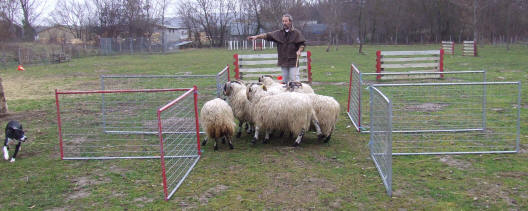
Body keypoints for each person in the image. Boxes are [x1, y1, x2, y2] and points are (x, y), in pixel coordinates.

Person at [248, 14, 306, 83]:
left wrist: (299, 50)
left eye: (286, 21)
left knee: (295, 80)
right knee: (284, 81)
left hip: (293, 61)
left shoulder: (296, 33)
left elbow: (302, 44)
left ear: (290, 22)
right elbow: (267, 35)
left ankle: (297, 93)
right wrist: (257, 37)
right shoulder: (279, 34)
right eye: (283, 21)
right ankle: (286, 94)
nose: (284, 23)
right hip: (283, 61)